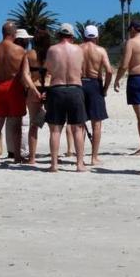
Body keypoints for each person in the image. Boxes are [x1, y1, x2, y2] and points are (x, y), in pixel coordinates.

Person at [44, 24, 87, 173]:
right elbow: (82, 68)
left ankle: (54, 165)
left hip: (57, 88)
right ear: (72, 36)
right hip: (75, 88)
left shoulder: (52, 50)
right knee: (77, 129)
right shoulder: (79, 50)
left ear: (58, 35)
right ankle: (79, 164)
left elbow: (49, 68)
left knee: (55, 130)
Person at [113, 20, 140, 155]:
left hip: (137, 78)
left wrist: (117, 79)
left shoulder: (131, 42)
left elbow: (124, 64)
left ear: (132, 29)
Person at [0, 21, 27, 163]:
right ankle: (17, 156)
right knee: (16, 124)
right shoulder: (20, 50)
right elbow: (23, 74)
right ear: (14, 34)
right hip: (14, 87)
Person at [80, 25, 113, 165]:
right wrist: (105, 88)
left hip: (80, 83)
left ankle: (80, 157)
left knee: (80, 123)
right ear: (97, 37)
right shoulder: (100, 50)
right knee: (96, 123)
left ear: (84, 36)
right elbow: (110, 71)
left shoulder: (77, 49)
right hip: (95, 84)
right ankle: (94, 157)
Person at [20, 28, 50, 164]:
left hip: (34, 90)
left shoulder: (29, 54)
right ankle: (54, 157)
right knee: (53, 125)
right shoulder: (52, 54)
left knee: (34, 125)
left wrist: (34, 90)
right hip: (50, 89)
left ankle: (32, 158)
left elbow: (25, 75)